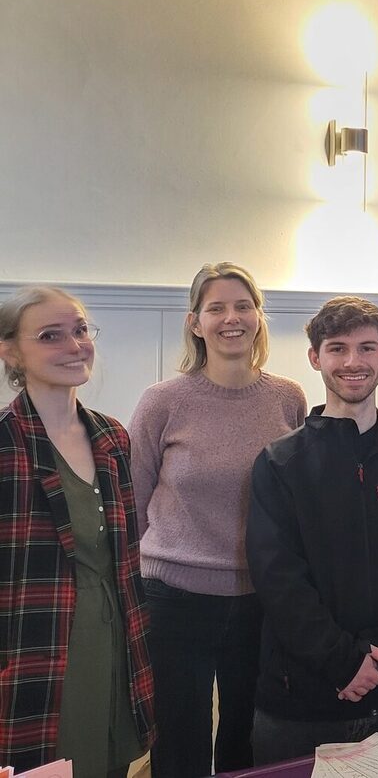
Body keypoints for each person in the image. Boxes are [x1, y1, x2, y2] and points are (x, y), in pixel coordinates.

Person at [247, 296, 378, 763]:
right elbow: (278, 578)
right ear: (315, 358)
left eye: (366, 347)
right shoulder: (280, 462)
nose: (352, 362)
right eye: (337, 348)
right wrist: (344, 662)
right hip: (299, 704)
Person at [128, 263, 307, 777]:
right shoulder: (163, 401)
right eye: (217, 308)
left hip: (259, 599)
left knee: (247, 739)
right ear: (194, 322)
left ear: (258, 317)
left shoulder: (288, 399)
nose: (232, 318)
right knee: (178, 742)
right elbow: (134, 503)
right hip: (173, 600)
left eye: (243, 306)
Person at [0, 287, 156, 775]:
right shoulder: (4, 443)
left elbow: (126, 559)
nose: (74, 345)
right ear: (10, 351)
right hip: (36, 652)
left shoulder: (112, 436)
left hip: (119, 645)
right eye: (50, 335)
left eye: (81, 330)